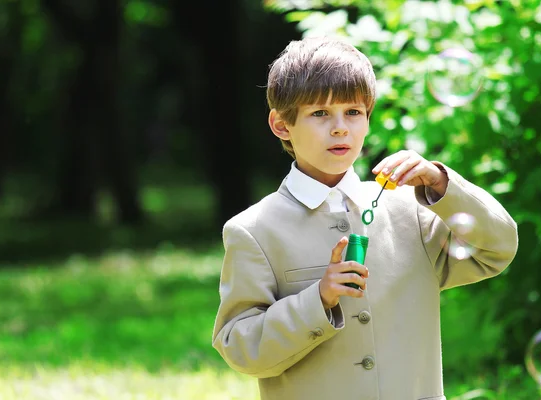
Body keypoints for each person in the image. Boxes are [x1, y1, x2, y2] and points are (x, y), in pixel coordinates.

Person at [211, 35, 518, 400]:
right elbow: (241, 348)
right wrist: (317, 300)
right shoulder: (253, 230)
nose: (340, 127)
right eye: (320, 113)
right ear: (281, 125)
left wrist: (441, 183)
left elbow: (498, 248)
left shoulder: (413, 211)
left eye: (353, 112)